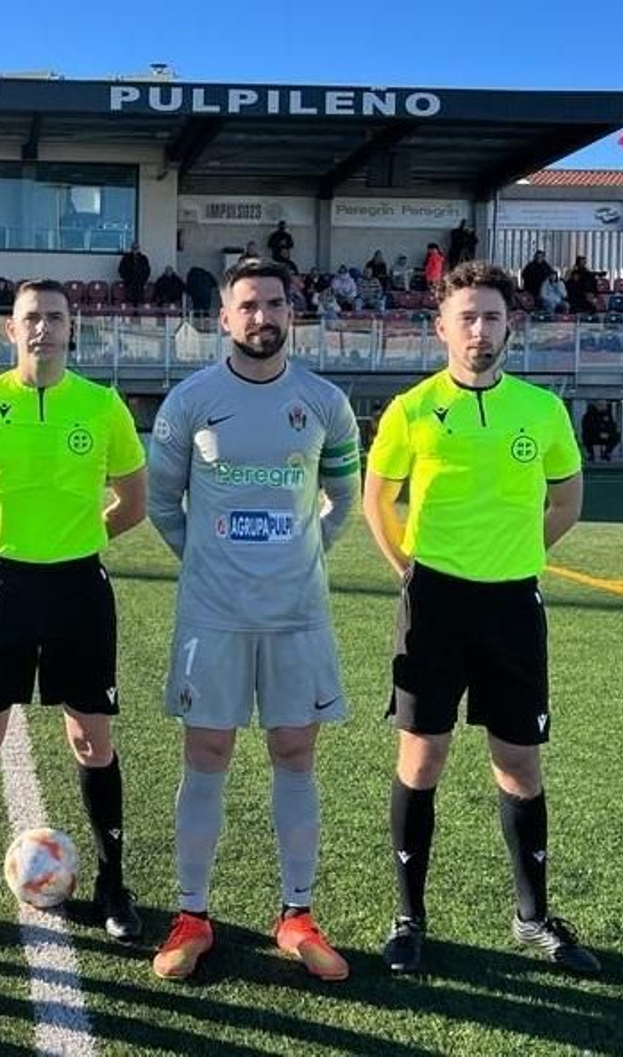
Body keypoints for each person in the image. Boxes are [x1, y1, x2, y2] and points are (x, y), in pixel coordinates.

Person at [360, 260, 597, 976]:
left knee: (518, 759)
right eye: (466, 317)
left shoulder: (542, 410)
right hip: (433, 603)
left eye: (492, 316)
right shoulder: (410, 409)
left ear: (509, 326)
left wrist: (520, 556)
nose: (479, 329)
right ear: (441, 328)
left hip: (511, 606)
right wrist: (410, 571)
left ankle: (531, 918)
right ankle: (409, 917)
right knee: (421, 756)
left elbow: (567, 499)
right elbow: (380, 501)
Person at [0, 279, 149, 947]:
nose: (43, 328)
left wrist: (79, 537)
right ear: (9, 331)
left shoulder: (102, 407)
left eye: (54, 317)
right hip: (0, 586)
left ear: (72, 328)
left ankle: (112, 884)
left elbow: (132, 502)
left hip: (78, 588)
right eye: (30, 318)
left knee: (91, 739)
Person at [147, 258, 360, 983]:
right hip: (213, 614)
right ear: (225, 318)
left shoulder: (326, 402)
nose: (262, 316)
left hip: (298, 614)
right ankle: (191, 915)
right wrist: (208, 559)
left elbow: (342, 496)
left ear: (288, 312)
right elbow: (160, 504)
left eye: (274, 302)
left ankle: (297, 914)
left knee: (295, 755)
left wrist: (303, 555)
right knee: (205, 756)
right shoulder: (190, 401)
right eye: (248, 305)